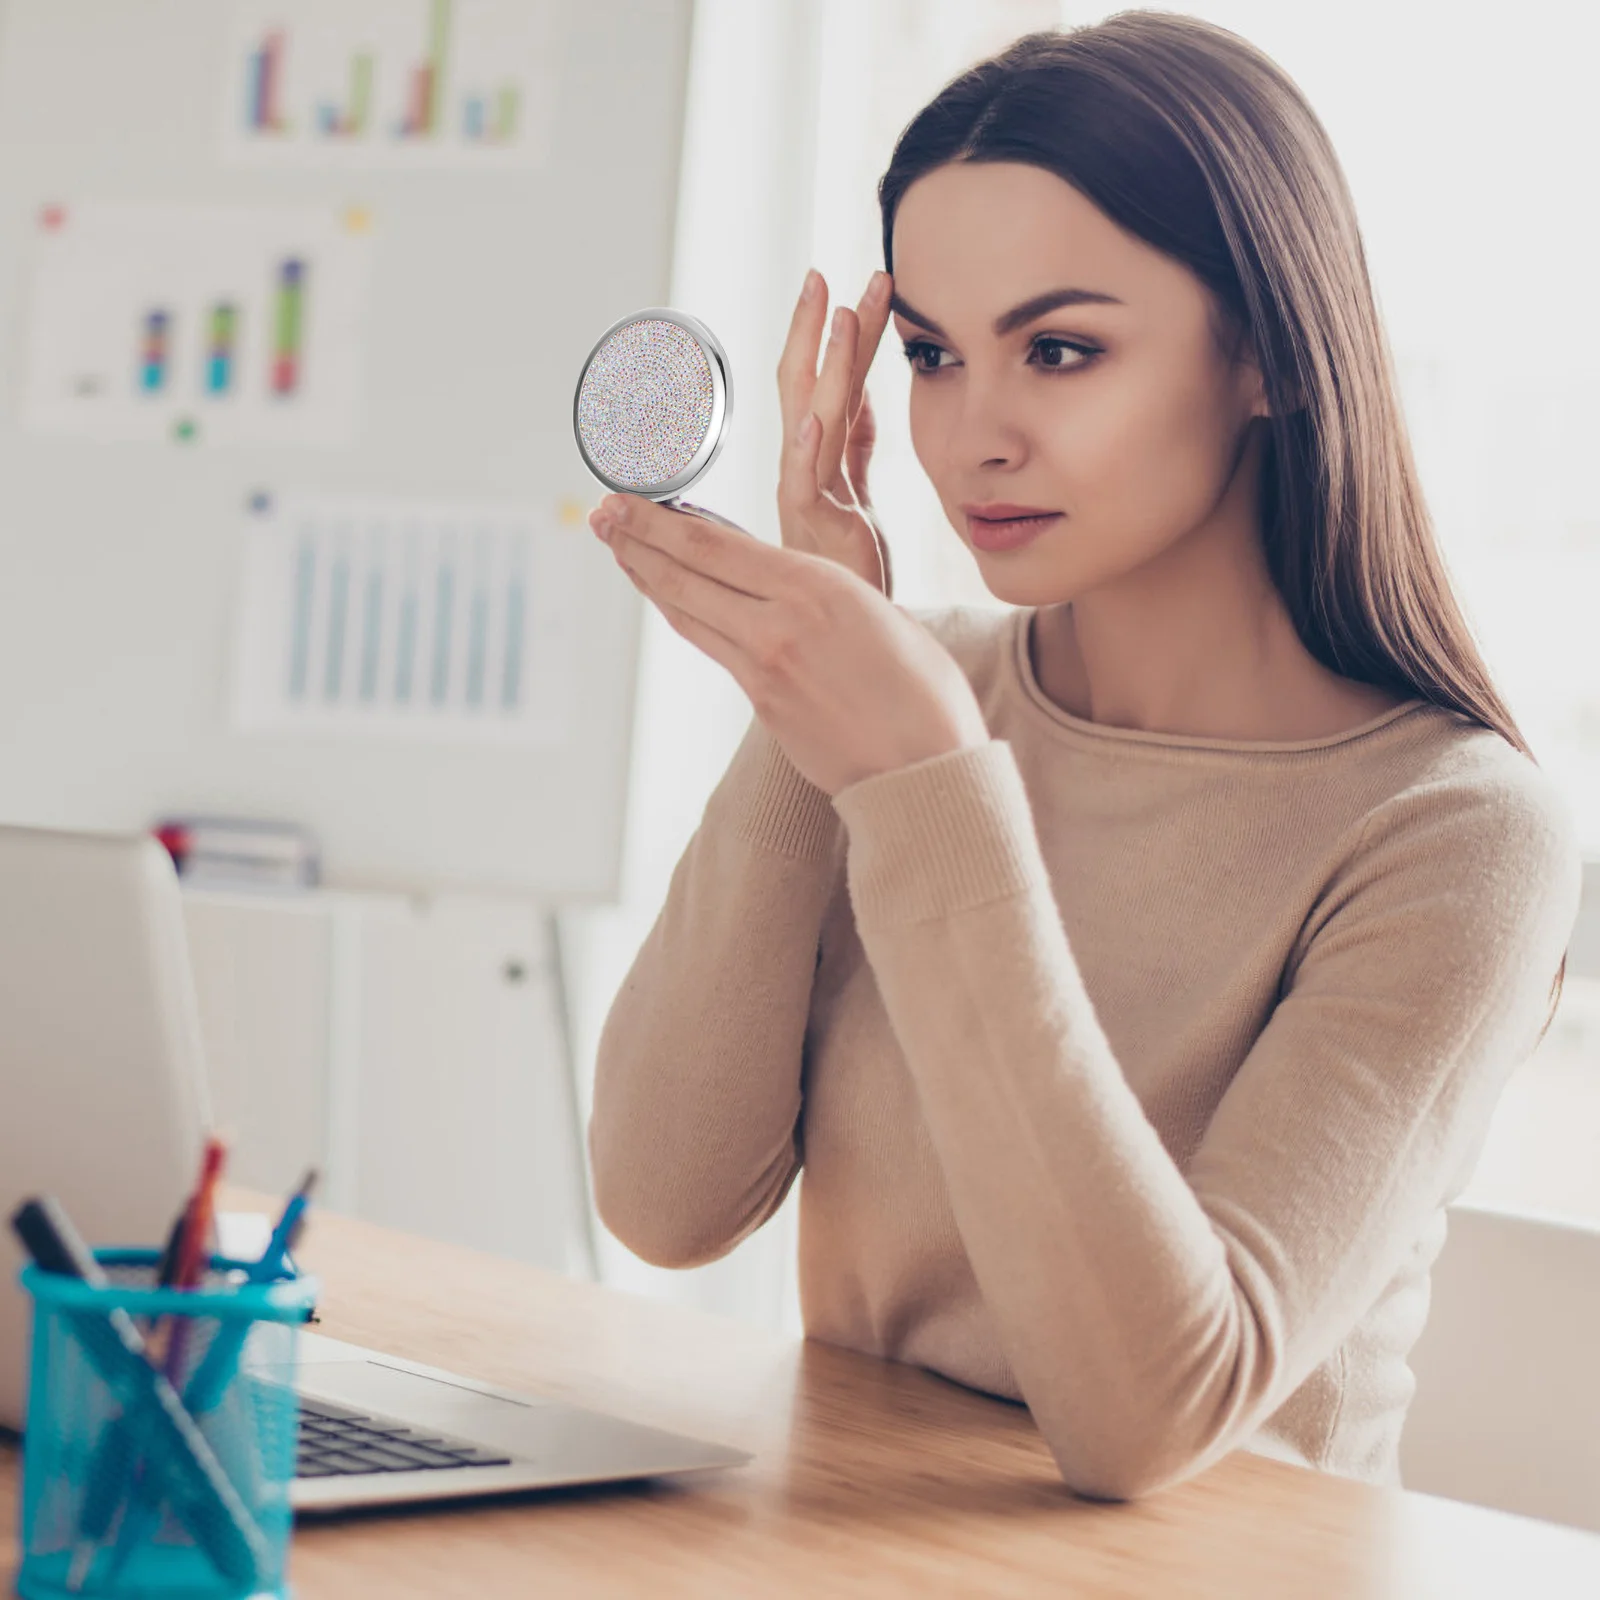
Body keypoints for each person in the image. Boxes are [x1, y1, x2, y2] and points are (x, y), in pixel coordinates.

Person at [582, 12, 1582, 1502]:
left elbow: (1149, 1421)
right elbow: (665, 1202)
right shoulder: (902, 699)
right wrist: (812, 710)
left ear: (1264, 355)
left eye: (1060, 350)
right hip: (855, 1546)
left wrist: (922, 782)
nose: (975, 433)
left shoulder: (1455, 835)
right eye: (930, 353)